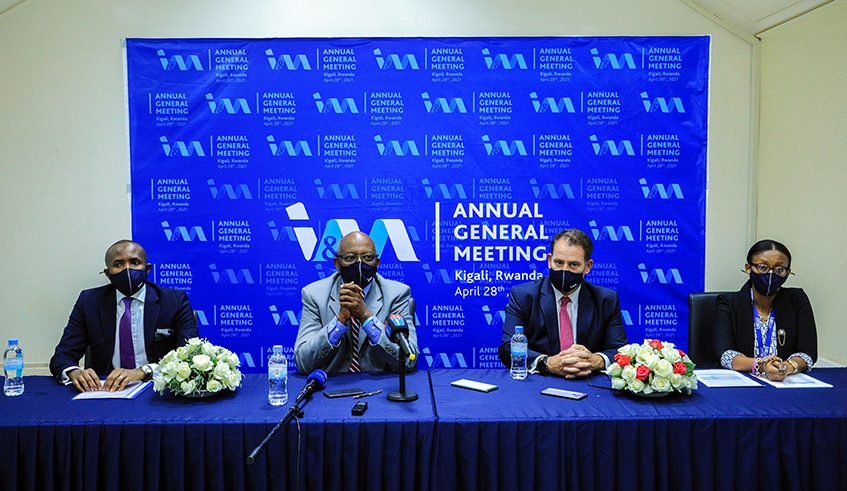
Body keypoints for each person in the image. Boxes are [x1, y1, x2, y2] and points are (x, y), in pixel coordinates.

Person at [50, 240, 198, 392]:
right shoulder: (89, 302)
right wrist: (74, 372)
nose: (128, 270)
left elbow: (189, 357)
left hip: (159, 389)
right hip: (107, 391)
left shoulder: (174, 301)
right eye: (118, 264)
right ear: (108, 273)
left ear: (147, 269)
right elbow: (62, 356)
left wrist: (143, 372)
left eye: (135, 262)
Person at [498, 229, 628, 378]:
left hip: (589, 383)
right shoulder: (524, 296)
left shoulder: (606, 299)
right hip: (540, 383)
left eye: (573, 265)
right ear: (549, 260)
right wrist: (546, 363)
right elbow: (508, 348)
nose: (565, 271)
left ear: (587, 267)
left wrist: (594, 361)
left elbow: (620, 350)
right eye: (559, 263)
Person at [294, 231, 418, 373]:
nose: (359, 264)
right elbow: (303, 363)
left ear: (377, 263)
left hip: (382, 387)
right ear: (337, 263)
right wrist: (339, 321)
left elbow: (409, 360)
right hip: (331, 388)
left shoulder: (397, 294)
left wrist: (366, 316)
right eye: (350, 258)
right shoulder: (314, 295)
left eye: (367, 257)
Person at [714, 239, 817, 380]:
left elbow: (808, 352)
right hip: (744, 385)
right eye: (763, 267)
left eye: (779, 269)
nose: (770, 273)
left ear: (787, 273)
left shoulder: (797, 300)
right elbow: (725, 354)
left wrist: (785, 368)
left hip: (785, 383)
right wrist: (761, 365)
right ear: (748, 268)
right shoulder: (729, 303)